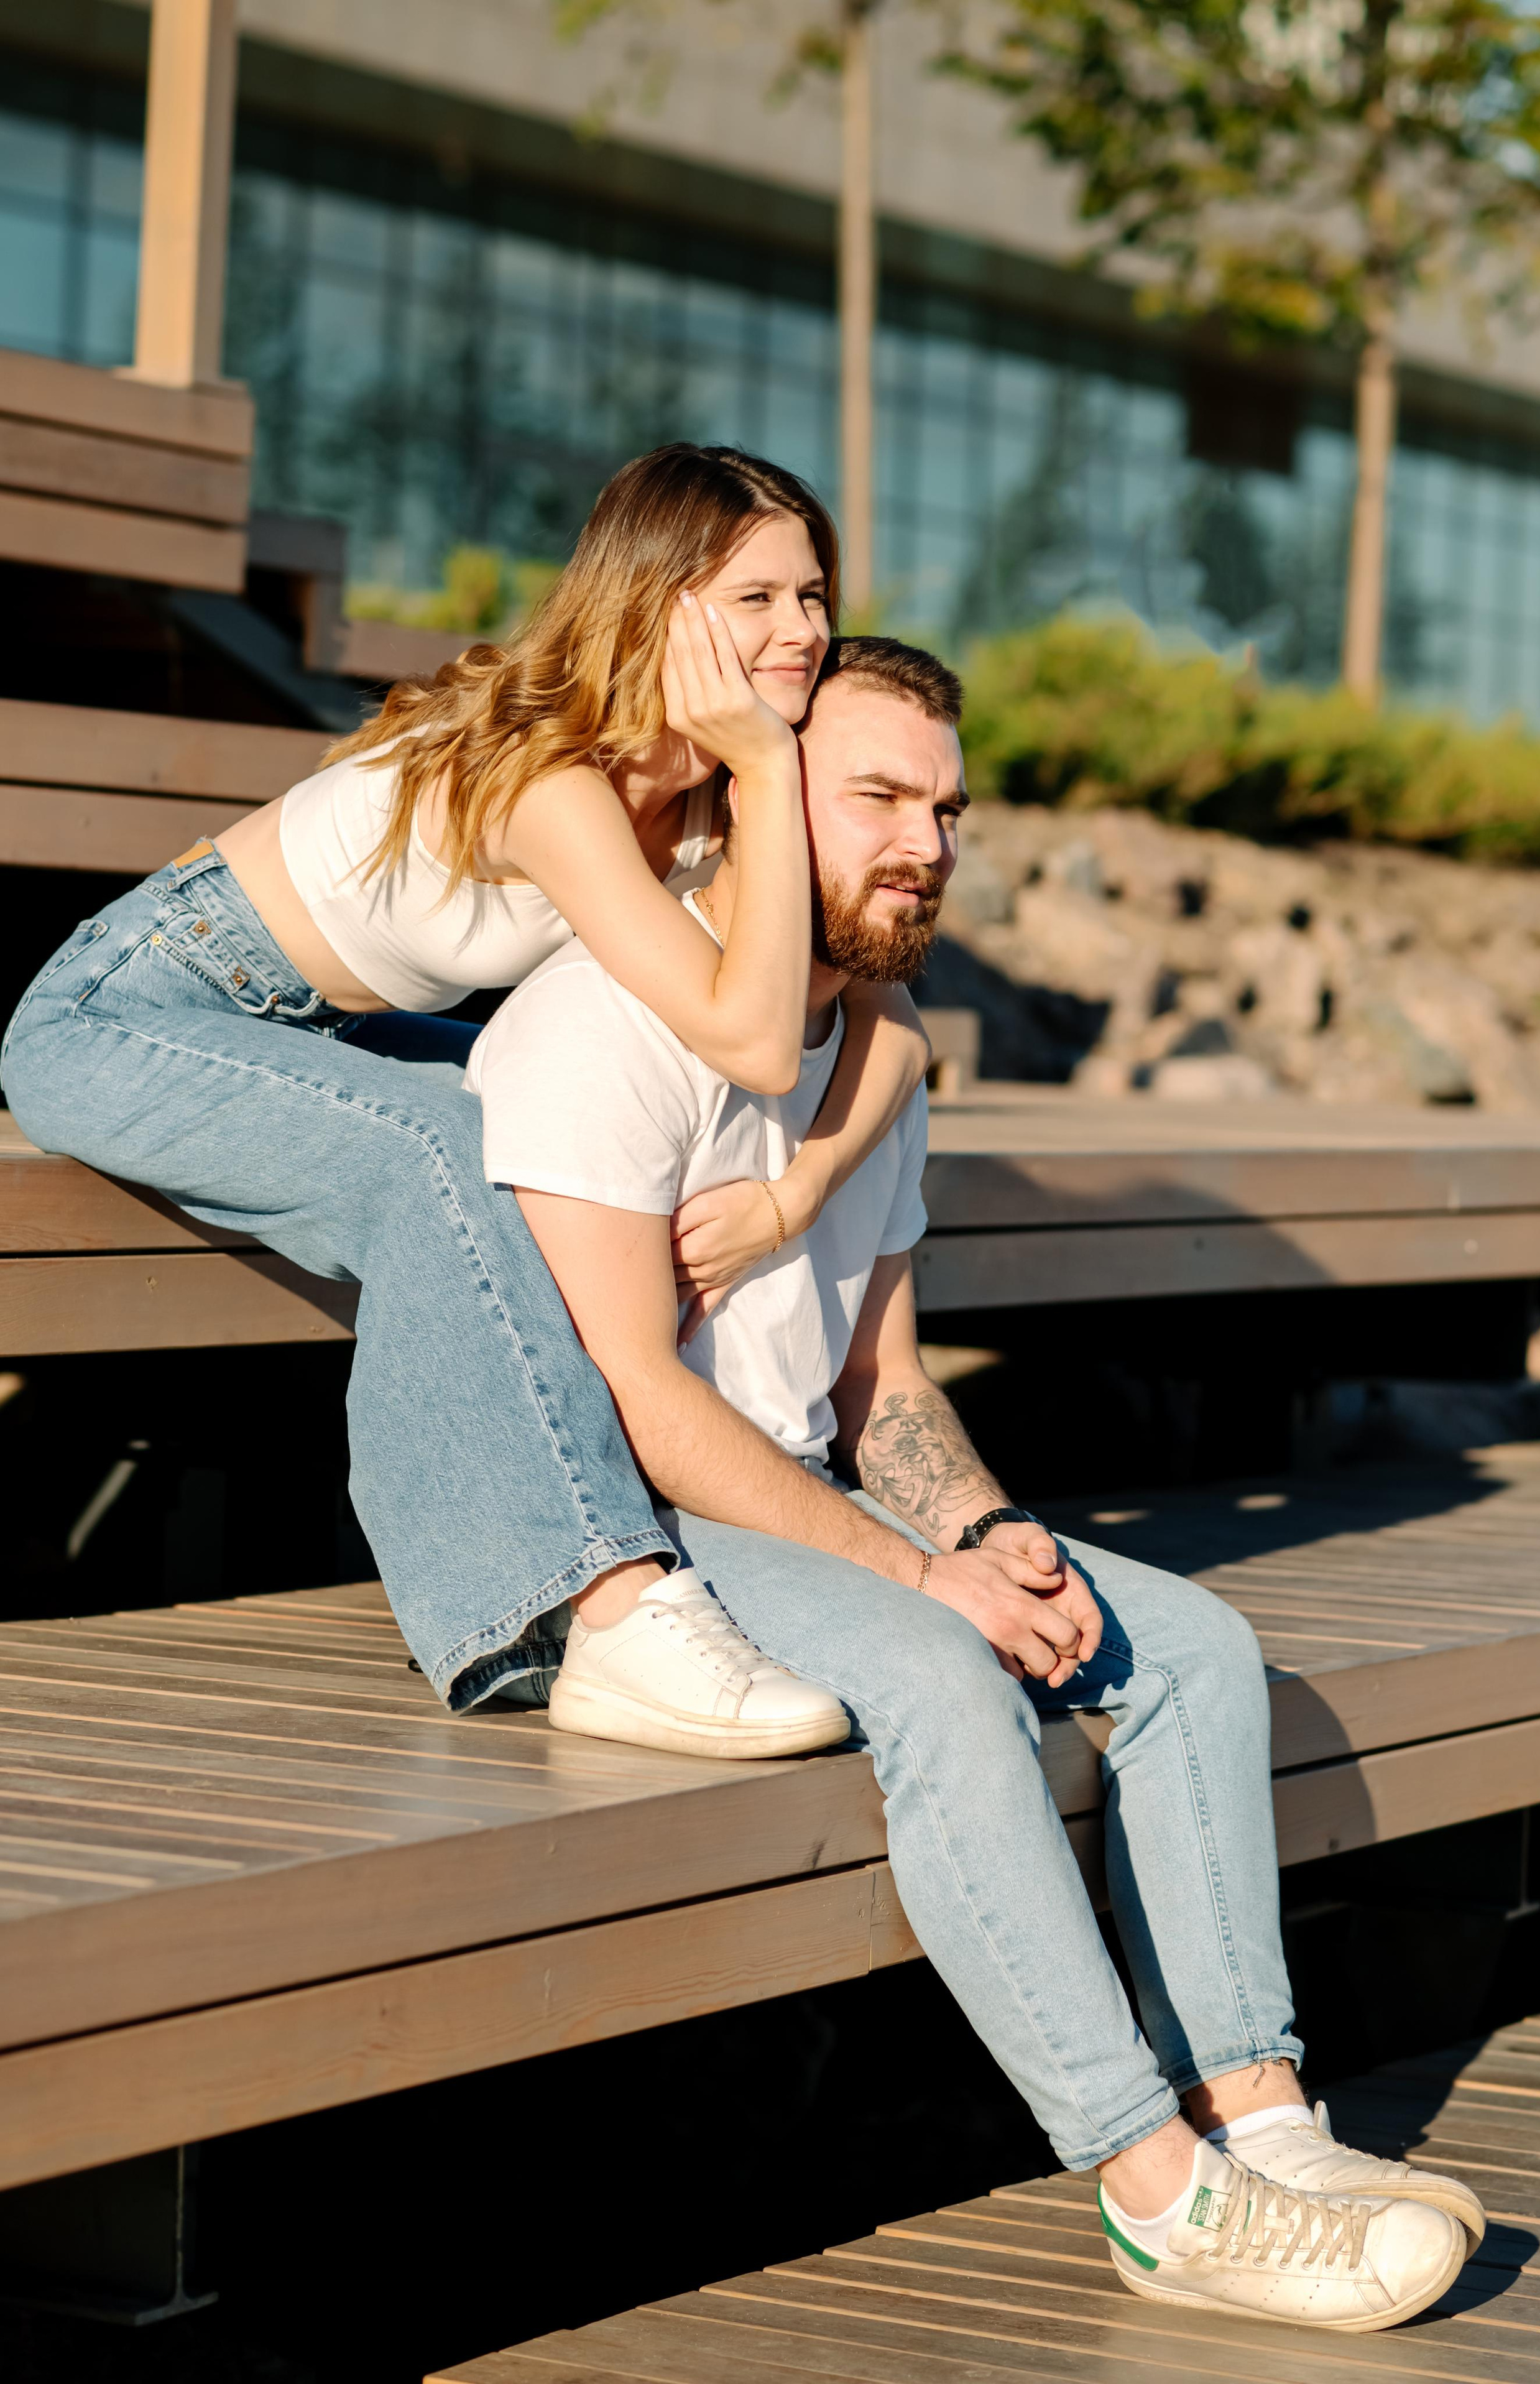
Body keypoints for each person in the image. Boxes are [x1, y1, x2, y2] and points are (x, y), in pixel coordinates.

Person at [465, 633, 1487, 2334]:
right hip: (641, 1541)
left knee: (1187, 1654)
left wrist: (992, 1530)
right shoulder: (596, 1026)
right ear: (751, 790)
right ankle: (1154, 2190)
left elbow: (884, 1385)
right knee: (951, 1681)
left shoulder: (868, 1057)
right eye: (876, 795)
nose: (926, 842)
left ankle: (1266, 2131)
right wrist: (925, 1585)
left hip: (808, 1490)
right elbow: (633, 1406)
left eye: (947, 806)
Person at [0, 447, 922, 1740]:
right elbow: (756, 1044)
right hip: (132, 1009)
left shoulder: (709, 793)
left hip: (328, 1036)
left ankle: (693, 1494)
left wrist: (793, 1195)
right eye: (754, 597)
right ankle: (594, 1606)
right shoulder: (566, 779)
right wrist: (770, 773)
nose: (800, 630)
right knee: (440, 1146)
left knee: (561, 1144)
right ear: (658, 602)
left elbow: (887, 1022)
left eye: (813, 596)